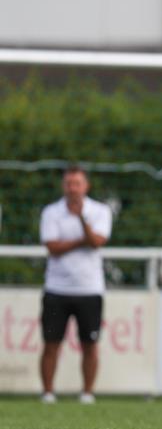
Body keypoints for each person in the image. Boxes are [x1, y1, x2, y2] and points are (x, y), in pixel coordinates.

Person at [39, 165, 113, 404]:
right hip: (56, 289)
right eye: (69, 183)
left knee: (90, 344)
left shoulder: (100, 211)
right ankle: (48, 392)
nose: (72, 188)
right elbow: (52, 247)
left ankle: (87, 393)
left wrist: (81, 220)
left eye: (77, 183)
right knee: (51, 343)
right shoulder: (51, 212)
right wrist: (82, 240)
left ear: (86, 186)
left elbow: (97, 242)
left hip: (89, 289)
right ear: (63, 185)